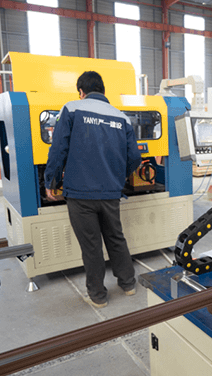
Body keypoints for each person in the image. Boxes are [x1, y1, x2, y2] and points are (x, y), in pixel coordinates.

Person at [44, 71, 142, 308]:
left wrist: (51, 182)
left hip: (80, 193)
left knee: (91, 246)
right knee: (116, 238)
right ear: (103, 90)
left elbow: (58, 149)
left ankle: (98, 296)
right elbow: (134, 157)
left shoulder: (71, 109)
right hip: (111, 192)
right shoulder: (121, 117)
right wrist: (117, 177)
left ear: (81, 91)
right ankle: (128, 284)